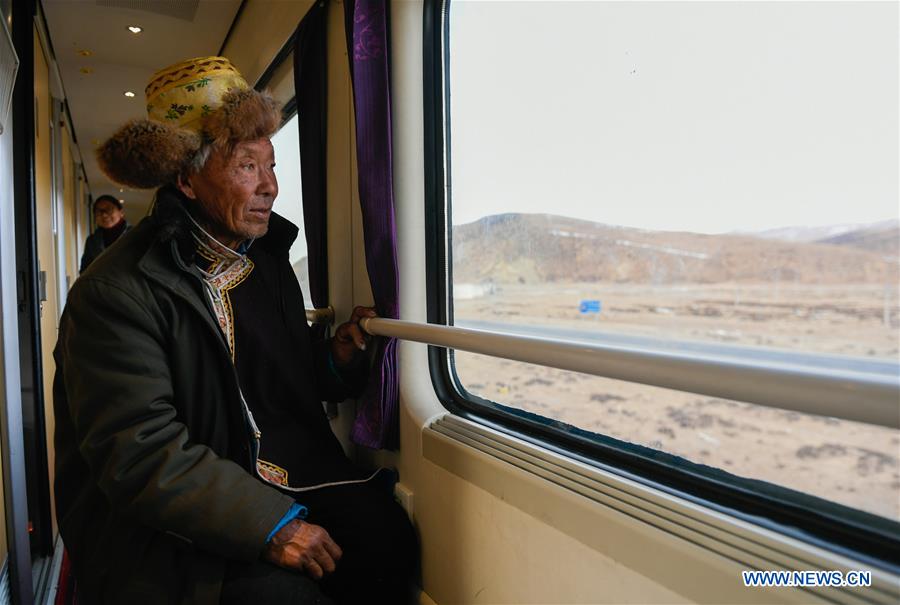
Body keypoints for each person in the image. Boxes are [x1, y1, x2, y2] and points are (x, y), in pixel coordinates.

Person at [53, 56, 416, 605]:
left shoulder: (263, 261)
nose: (269, 186)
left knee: (385, 538)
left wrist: (335, 361)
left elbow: (274, 378)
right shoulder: (113, 294)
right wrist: (270, 527)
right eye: (248, 166)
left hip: (274, 470)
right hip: (159, 515)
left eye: (271, 166)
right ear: (185, 179)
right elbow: (139, 453)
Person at [79, 194, 130, 272]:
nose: (104, 215)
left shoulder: (134, 234)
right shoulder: (92, 241)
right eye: (99, 212)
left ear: (121, 212)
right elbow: (85, 270)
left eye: (109, 209)